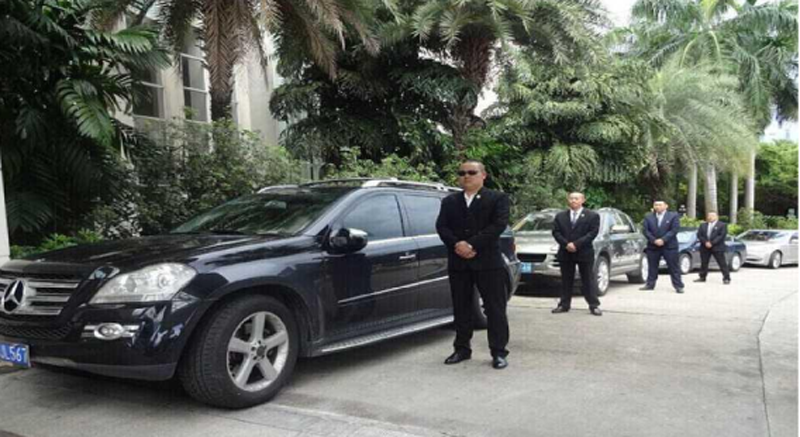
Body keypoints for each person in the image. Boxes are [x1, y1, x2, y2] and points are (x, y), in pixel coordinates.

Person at [436, 160, 511, 370]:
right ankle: (462, 348)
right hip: (459, 262)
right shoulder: (450, 201)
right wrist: (457, 244)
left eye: (471, 172)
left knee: (495, 309)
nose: (466, 176)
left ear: (483, 175)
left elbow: (498, 225)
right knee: (461, 307)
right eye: (462, 173)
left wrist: (471, 244)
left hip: (488, 262)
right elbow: (442, 226)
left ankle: (498, 352)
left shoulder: (497, 198)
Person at [551, 192, 602, 316]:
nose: (573, 201)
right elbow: (556, 232)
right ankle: (564, 304)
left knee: (587, 279)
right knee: (566, 279)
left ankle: (593, 305)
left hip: (584, 252)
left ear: (582, 200)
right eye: (571, 198)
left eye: (576, 198)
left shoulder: (592, 216)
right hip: (565, 251)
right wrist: (566, 244)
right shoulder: (560, 216)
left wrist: (576, 244)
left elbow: (592, 233)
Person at [640, 200, 685, 293]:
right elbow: (645, 230)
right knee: (652, 266)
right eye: (656, 205)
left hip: (669, 246)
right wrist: (654, 240)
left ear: (666, 206)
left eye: (660, 205)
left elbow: (674, 229)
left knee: (673, 267)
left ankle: (678, 286)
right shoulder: (648, 216)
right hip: (653, 246)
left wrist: (663, 240)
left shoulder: (673, 216)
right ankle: (650, 284)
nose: (657, 207)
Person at [694, 211, 731, 284]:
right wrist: (705, 242)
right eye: (709, 216)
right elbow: (699, 235)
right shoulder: (703, 225)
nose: (710, 217)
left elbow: (721, 236)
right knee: (704, 263)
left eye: (712, 216)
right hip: (705, 247)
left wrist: (712, 243)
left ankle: (726, 278)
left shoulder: (722, 225)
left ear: (716, 217)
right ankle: (702, 277)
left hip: (717, 247)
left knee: (722, 263)